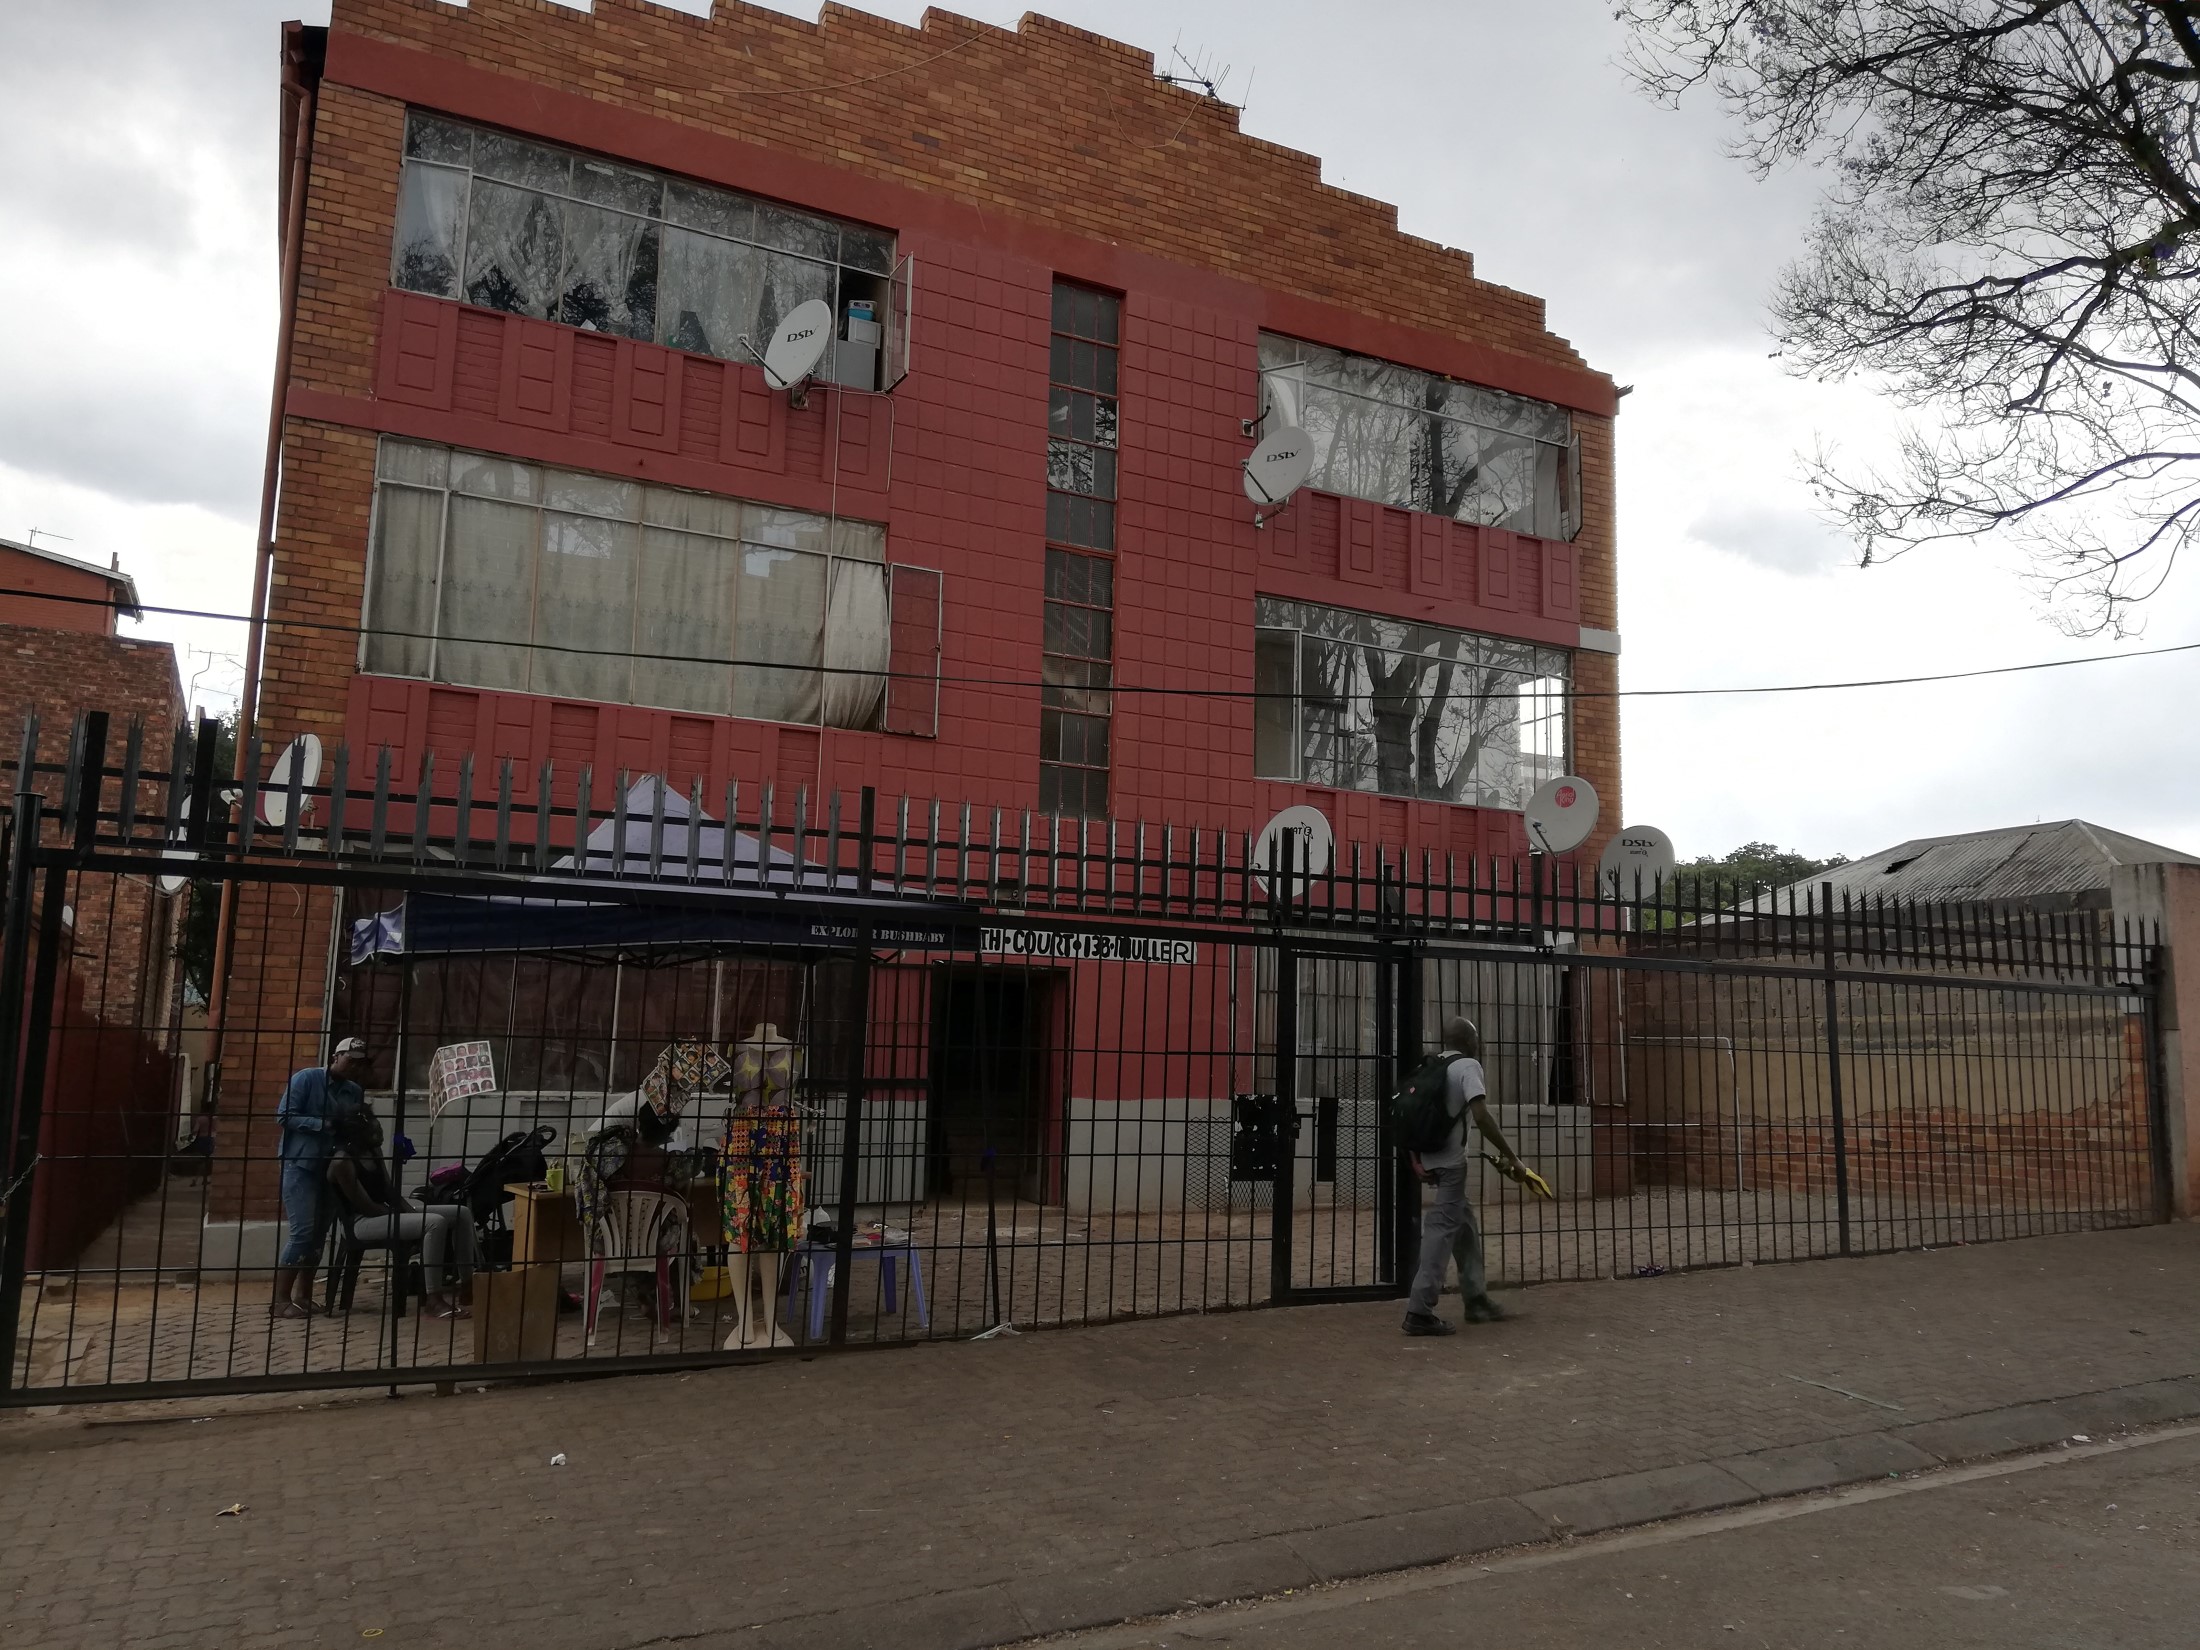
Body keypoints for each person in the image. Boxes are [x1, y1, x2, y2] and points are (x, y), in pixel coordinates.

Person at [1403, 1016, 1525, 1337]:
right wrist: (1513, 1158)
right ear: (1470, 1042)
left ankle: (1476, 1299)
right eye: (1476, 1039)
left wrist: (1415, 1159)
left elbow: (1408, 1113)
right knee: (1441, 1230)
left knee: (1464, 1226)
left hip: (1428, 1157)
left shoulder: (1430, 1066)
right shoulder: (1468, 1066)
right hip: (1452, 1164)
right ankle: (1419, 1310)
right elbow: (1481, 1115)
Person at [326, 1107, 478, 1319]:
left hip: (385, 1213)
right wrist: (407, 1217)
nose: (380, 1134)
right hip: (361, 1222)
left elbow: (389, 1190)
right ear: (358, 1133)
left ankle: (468, 1286)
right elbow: (367, 1207)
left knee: (461, 1213)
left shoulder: (373, 1150)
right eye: (375, 1131)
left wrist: (408, 1211)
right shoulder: (342, 1162)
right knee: (434, 1222)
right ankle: (434, 1299)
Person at [271, 1036, 371, 1319]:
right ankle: (280, 1300)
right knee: (302, 1231)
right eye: (350, 1060)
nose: (354, 1067)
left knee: (319, 1234)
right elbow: (284, 1116)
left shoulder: (353, 1091)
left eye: (360, 1063)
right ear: (335, 1057)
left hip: (332, 1169)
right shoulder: (307, 1079)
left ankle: (303, 1296)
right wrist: (323, 1124)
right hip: (300, 1165)